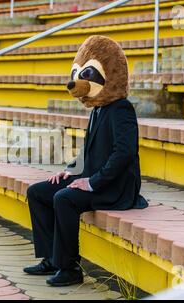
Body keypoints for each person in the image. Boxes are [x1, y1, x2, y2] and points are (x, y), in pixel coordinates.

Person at [24, 35, 148, 287]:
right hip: (91, 178)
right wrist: (70, 173)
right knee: (37, 192)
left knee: (64, 199)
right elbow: (88, 153)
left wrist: (91, 183)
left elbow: (123, 154)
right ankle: (51, 257)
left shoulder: (121, 108)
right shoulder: (97, 109)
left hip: (115, 187)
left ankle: (70, 268)